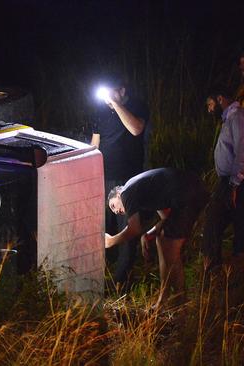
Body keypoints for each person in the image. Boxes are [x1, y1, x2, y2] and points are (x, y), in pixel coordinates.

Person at [105, 168, 208, 308]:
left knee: (165, 243)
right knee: (165, 242)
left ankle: (165, 300)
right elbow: (166, 219)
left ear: (117, 194)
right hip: (193, 188)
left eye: (113, 206)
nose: (116, 211)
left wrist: (111, 241)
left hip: (186, 194)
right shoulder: (142, 191)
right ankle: (179, 298)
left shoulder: (126, 192)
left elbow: (134, 228)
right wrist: (148, 234)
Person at [90, 76, 151, 288]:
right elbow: (94, 145)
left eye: (111, 91)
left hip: (128, 178)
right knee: (100, 225)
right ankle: (96, 275)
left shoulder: (137, 106)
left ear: (122, 90)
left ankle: (122, 280)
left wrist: (115, 104)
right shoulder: (100, 112)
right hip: (103, 177)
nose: (106, 97)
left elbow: (136, 129)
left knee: (126, 226)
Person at [204, 87, 244, 273]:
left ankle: (237, 267)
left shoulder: (239, 116)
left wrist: (234, 184)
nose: (209, 109)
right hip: (234, 179)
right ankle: (219, 268)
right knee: (222, 220)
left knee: (233, 221)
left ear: (220, 98)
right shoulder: (230, 119)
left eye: (210, 104)